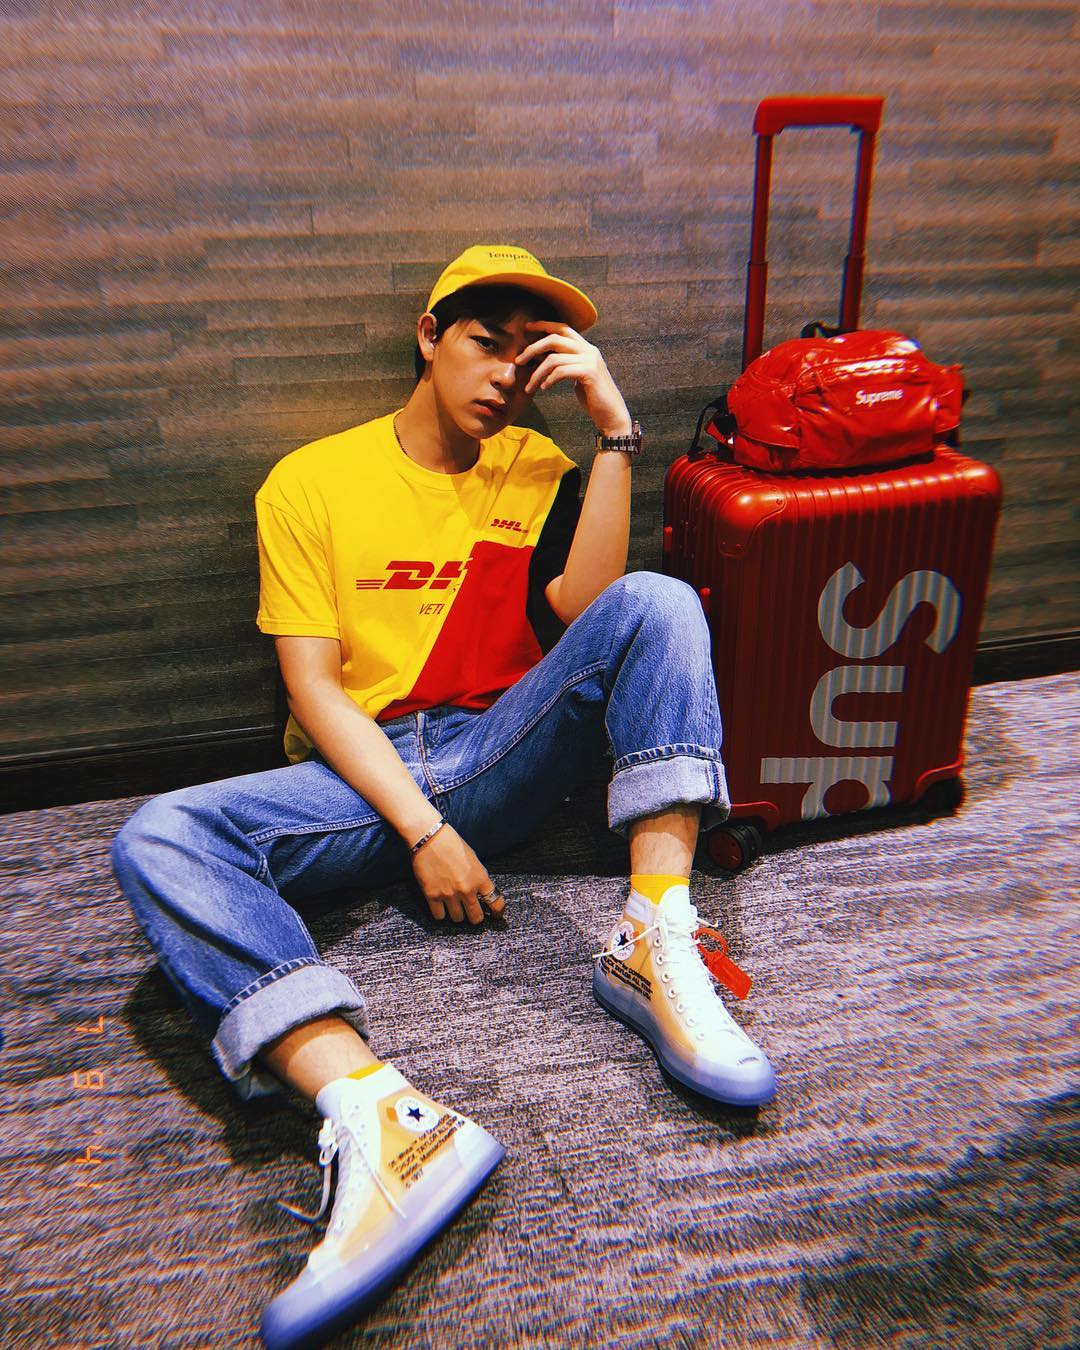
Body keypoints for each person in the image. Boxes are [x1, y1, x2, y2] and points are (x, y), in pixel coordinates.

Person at [111, 244, 776, 1350]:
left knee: (662, 601)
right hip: (359, 774)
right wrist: (422, 828)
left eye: (530, 355)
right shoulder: (311, 481)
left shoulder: (537, 465)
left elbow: (596, 618)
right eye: (484, 343)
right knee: (160, 833)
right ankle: (383, 1120)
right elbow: (314, 690)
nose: (507, 375)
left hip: (497, 750)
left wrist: (615, 436)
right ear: (428, 336)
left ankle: (654, 934)